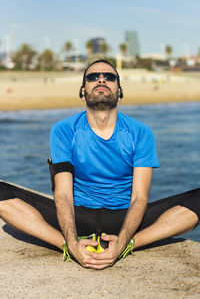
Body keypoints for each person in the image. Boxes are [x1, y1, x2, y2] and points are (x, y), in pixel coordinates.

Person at [0, 59, 199, 270]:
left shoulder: (140, 132)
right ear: (82, 91)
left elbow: (139, 198)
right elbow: (63, 194)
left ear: (119, 92)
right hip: (78, 215)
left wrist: (123, 242)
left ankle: (132, 243)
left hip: (124, 217)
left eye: (109, 77)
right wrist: (71, 243)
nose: (101, 79)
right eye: (93, 77)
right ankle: (66, 244)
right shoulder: (64, 129)